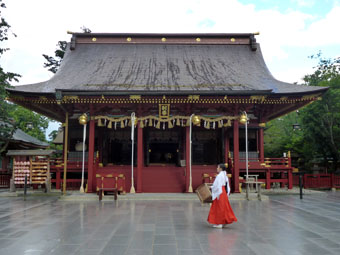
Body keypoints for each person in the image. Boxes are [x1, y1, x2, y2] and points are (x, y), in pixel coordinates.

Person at [207, 163, 237, 228]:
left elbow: (217, 185)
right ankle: (224, 221)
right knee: (224, 207)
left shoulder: (219, 176)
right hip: (223, 192)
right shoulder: (224, 175)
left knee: (219, 208)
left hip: (219, 192)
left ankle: (219, 222)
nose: (217, 168)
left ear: (220, 168)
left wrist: (211, 187)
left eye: (218, 167)